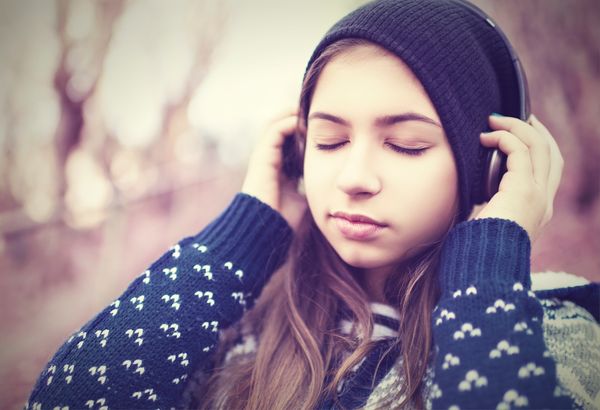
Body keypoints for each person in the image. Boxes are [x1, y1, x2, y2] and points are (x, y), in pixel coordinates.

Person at [26, 0, 600, 409]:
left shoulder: (551, 331)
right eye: (328, 141)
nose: (352, 177)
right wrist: (245, 235)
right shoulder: (237, 325)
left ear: (490, 169)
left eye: (406, 145)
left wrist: (488, 277)